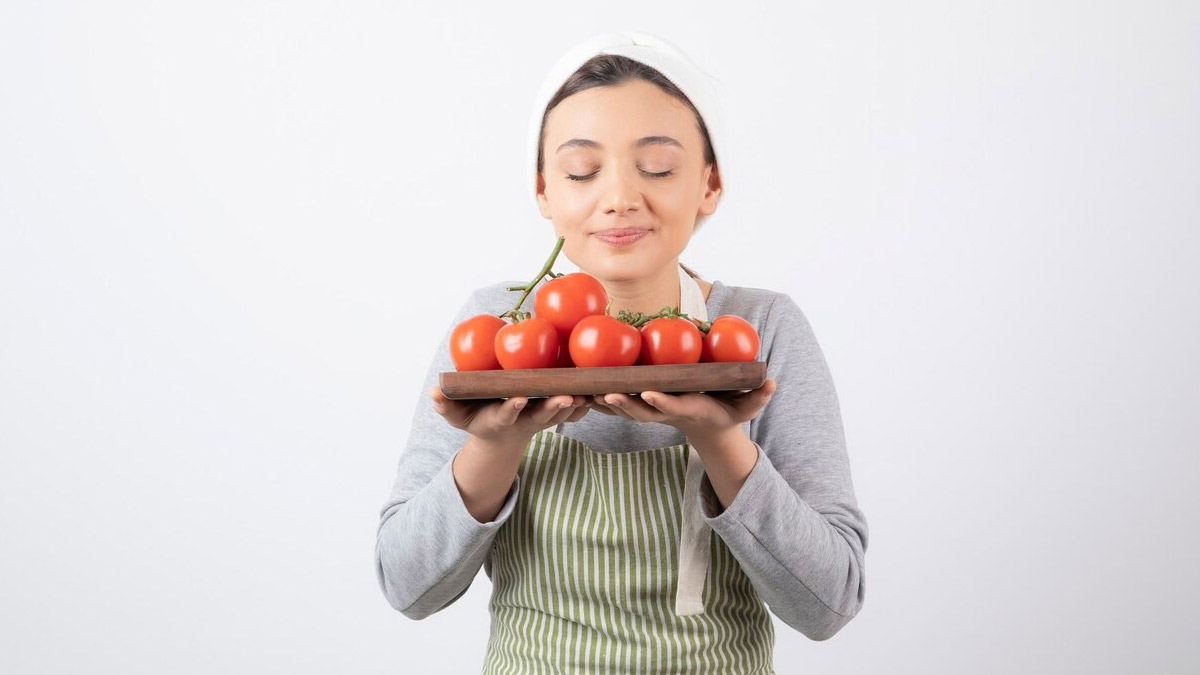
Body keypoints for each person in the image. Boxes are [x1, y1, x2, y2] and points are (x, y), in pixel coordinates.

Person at [375, 31, 868, 673]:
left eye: (658, 168)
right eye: (582, 171)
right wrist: (492, 446)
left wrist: (721, 441)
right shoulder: (494, 328)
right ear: (545, 192)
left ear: (709, 186)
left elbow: (829, 605)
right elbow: (407, 588)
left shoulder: (758, 328)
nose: (620, 198)